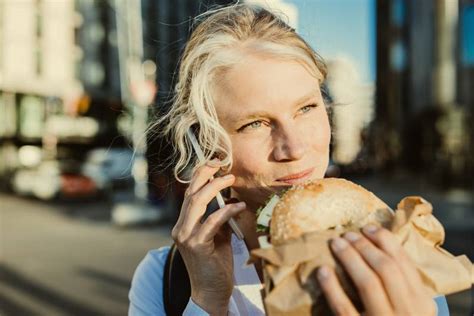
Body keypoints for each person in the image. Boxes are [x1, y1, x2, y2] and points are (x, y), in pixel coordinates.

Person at [129, 3, 449, 315]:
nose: (294, 148)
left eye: (306, 108)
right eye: (255, 123)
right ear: (207, 143)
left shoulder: (400, 251)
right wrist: (207, 301)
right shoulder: (164, 279)